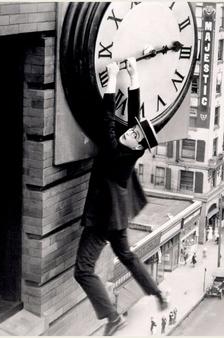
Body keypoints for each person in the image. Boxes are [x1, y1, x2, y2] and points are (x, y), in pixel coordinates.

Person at [74, 59, 168, 336]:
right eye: (133, 129)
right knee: (126, 255)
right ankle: (157, 293)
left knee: (83, 271)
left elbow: (108, 119)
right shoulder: (132, 149)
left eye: (135, 134)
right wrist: (134, 76)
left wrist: (112, 79)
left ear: (138, 144)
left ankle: (113, 318)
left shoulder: (115, 152)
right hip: (117, 216)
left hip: (103, 218)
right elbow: (132, 120)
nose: (130, 131)